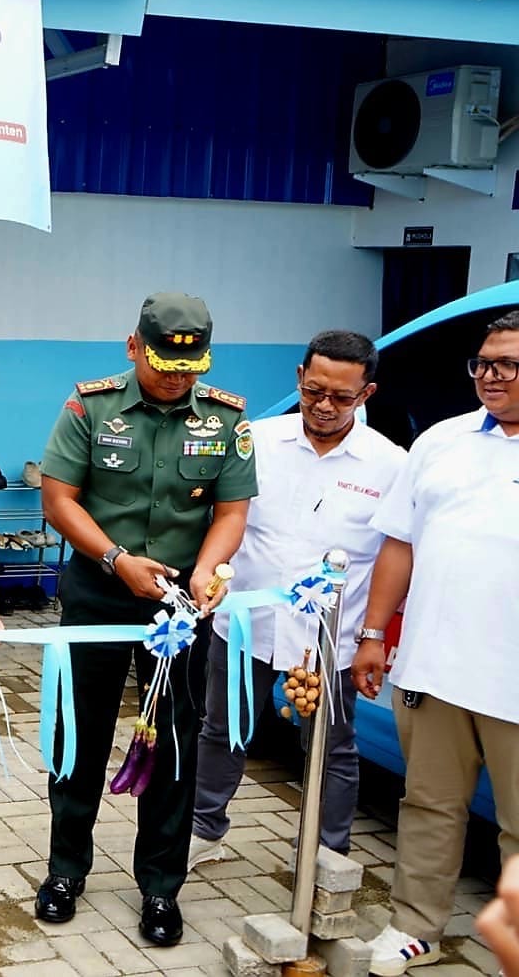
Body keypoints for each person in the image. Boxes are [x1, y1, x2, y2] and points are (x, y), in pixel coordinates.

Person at [36, 292, 256, 946]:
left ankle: (161, 886)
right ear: (134, 347)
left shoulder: (226, 420)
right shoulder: (90, 407)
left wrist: (208, 569)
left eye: (189, 369)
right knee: (80, 735)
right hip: (99, 592)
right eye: (163, 364)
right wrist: (116, 559)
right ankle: (65, 871)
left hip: (180, 605)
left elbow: (231, 512)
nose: (176, 379)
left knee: (175, 744)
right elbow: (58, 499)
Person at [191, 330, 405, 866]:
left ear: (367, 394)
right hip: (246, 624)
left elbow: (394, 554)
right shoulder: (256, 440)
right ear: (299, 379)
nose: (324, 405)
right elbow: (223, 517)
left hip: (328, 638)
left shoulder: (390, 465)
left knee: (332, 747)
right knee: (221, 731)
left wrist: (373, 635)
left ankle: (325, 850)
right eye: (313, 391)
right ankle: (204, 830)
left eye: (341, 397)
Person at [353, 310, 519, 977]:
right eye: (484, 363)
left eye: (509, 364)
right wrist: (372, 634)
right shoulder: (442, 442)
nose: (491, 376)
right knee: (428, 806)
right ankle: (413, 927)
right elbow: (399, 542)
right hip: (434, 669)